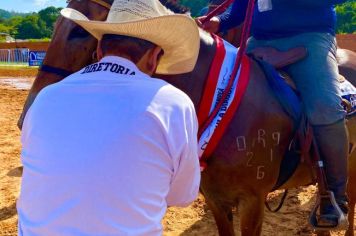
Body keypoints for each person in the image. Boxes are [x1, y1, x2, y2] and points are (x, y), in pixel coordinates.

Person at [17, 0, 201, 235]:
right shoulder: (175, 104)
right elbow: (181, 195)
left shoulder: (45, 98)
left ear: (100, 50)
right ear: (154, 58)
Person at [197, 0, 349, 227]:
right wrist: (219, 22)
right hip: (259, 42)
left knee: (325, 107)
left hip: (310, 39)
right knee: (219, 92)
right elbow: (240, 9)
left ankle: (335, 196)